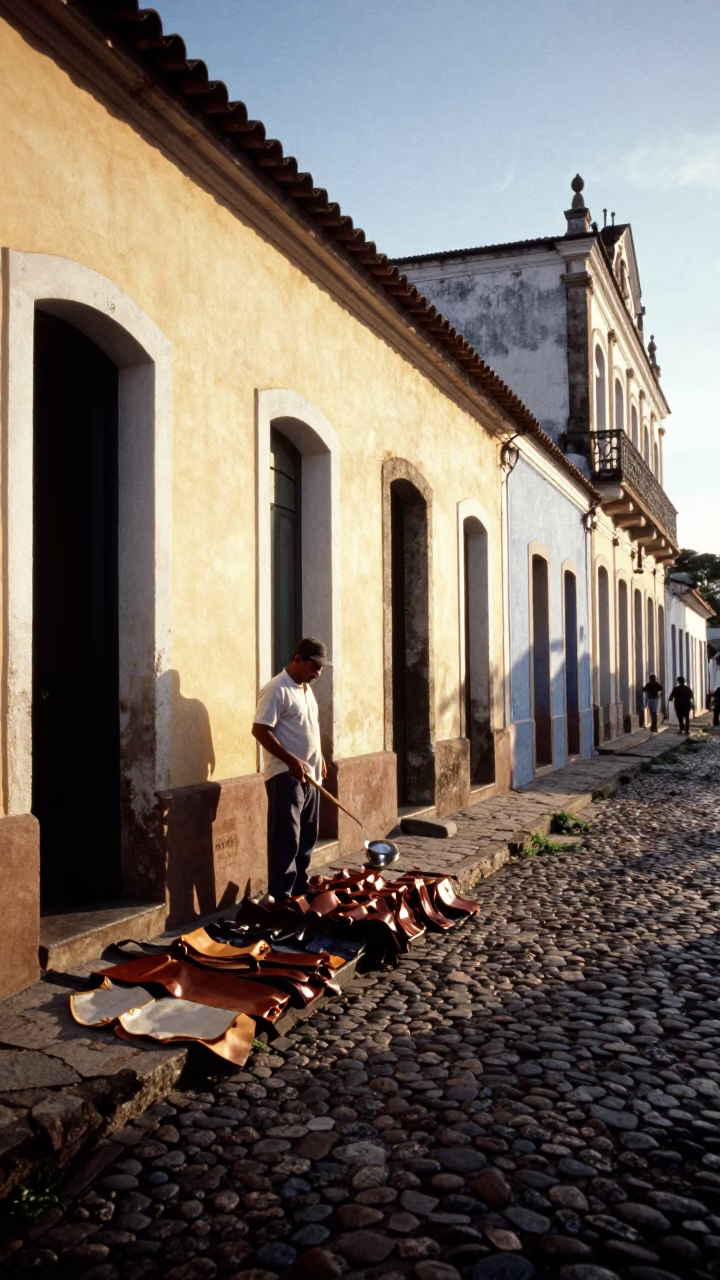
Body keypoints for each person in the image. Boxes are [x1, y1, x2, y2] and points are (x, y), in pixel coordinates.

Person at [251, 638, 331, 901]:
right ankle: (280, 893)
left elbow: (307, 730)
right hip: (286, 776)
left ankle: (299, 887)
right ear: (297, 659)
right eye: (314, 666)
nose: (318, 672)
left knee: (308, 837)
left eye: (321, 667)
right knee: (286, 837)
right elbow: (260, 729)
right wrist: (290, 761)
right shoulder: (276, 688)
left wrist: (320, 763)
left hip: (312, 777)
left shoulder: (306, 689)